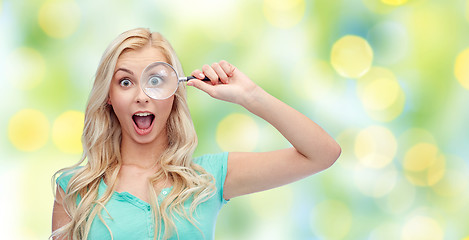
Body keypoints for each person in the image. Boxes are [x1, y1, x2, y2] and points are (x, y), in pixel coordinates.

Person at [51, 28, 341, 240]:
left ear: (175, 92)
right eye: (125, 82)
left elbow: (323, 153)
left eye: (155, 80)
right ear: (109, 97)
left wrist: (250, 95)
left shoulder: (208, 178)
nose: (142, 96)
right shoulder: (77, 189)